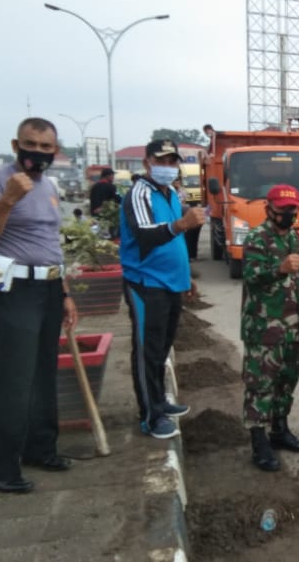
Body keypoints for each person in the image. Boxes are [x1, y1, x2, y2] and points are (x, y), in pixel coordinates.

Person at [0, 117, 78, 494]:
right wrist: (7, 201)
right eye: (31, 144)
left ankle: (40, 449)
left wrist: (63, 292)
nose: (39, 152)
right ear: (16, 145)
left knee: (43, 374)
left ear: (55, 151)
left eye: (47, 147)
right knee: (12, 380)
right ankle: (1, 468)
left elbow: (50, 242)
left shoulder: (49, 185)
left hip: (47, 288)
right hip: (11, 288)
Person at [119, 139, 205, 439]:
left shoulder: (168, 195)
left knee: (162, 347)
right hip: (146, 283)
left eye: (172, 162)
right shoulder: (139, 194)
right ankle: (150, 416)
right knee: (147, 350)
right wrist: (181, 224)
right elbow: (144, 235)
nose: (168, 167)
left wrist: (185, 278)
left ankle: (160, 402)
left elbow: (174, 244)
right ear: (147, 163)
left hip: (170, 283)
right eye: (162, 161)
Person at [240, 184, 299, 471]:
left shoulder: (294, 238)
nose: (289, 214)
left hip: (291, 325)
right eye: (283, 209)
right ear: (268, 209)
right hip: (263, 327)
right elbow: (251, 277)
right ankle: (259, 443)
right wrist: (279, 269)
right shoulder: (257, 238)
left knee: (287, 380)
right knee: (260, 385)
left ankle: (280, 431)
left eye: (293, 209)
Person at [172, 175, 202, 259]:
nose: (177, 183)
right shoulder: (170, 191)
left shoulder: (181, 192)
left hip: (182, 212)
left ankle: (191, 254)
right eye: (175, 181)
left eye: (178, 181)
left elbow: (182, 202)